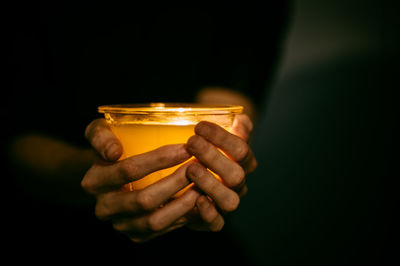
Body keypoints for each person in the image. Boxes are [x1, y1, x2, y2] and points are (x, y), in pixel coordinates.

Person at [4, 3, 289, 264]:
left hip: (192, 242)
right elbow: (16, 128)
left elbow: (224, 110)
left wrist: (221, 166)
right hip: (52, 222)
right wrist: (96, 174)